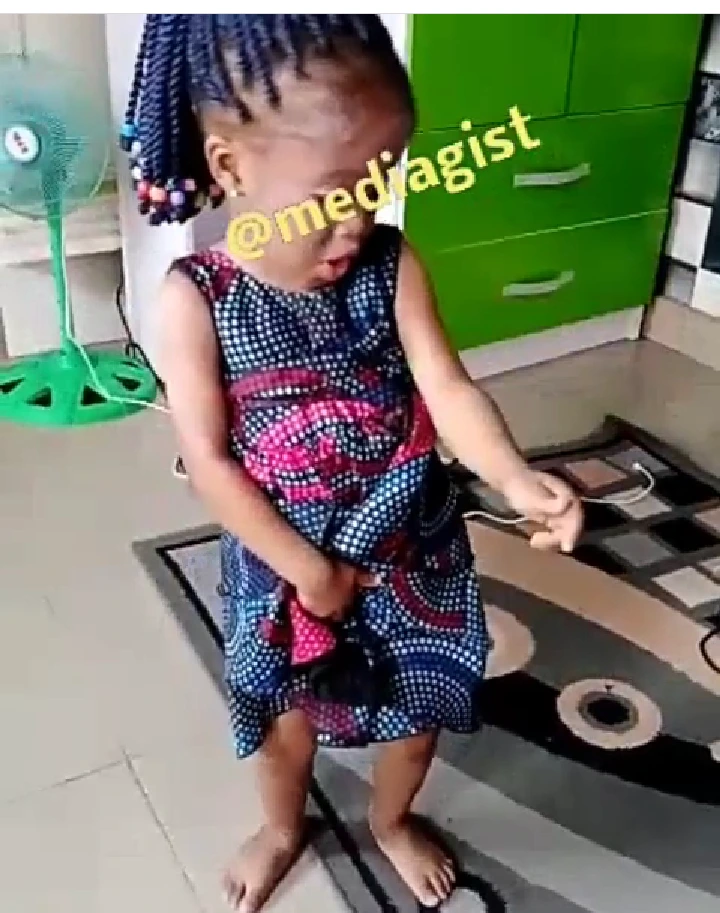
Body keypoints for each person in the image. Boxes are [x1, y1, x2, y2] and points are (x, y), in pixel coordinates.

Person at [121, 15, 583, 912]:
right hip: (285, 568)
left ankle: (391, 817)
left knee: (417, 709)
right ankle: (282, 826)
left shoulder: (390, 263)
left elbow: (448, 388)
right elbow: (209, 462)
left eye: (378, 184)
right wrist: (308, 571)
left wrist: (515, 477)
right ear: (231, 169)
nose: (356, 222)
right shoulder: (196, 299)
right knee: (285, 725)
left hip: (412, 554)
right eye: (332, 196)